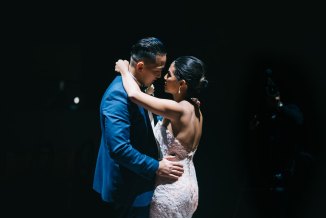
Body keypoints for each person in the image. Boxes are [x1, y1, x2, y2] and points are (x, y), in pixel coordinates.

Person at [92, 37, 184, 218]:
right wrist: (156, 166)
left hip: (140, 186)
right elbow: (119, 149)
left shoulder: (138, 88)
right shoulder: (118, 95)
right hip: (127, 191)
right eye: (158, 70)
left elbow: (147, 123)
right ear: (140, 67)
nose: (160, 76)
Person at [115, 55, 208, 218]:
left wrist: (124, 71)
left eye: (170, 75)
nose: (164, 77)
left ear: (182, 84)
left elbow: (133, 95)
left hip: (171, 187)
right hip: (189, 184)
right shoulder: (196, 109)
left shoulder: (178, 110)